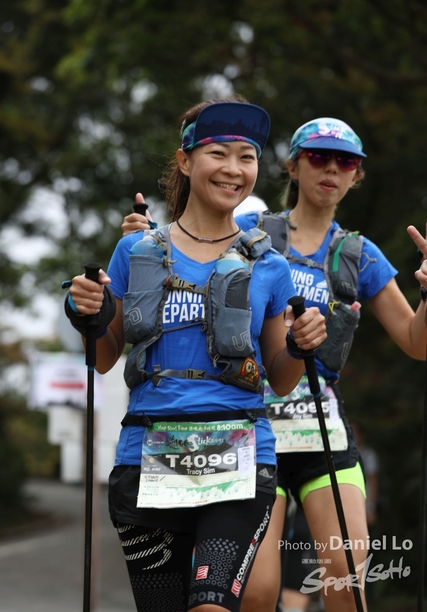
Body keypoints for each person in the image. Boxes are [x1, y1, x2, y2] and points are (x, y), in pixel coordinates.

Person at [123, 116, 427, 612]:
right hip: (248, 430)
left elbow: (417, 342)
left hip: (320, 430)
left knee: (346, 576)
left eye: (346, 162)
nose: (331, 169)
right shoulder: (250, 233)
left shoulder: (360, 254)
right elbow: (186, 244)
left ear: (357, 175)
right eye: (318, 157)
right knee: (258, 592)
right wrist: (145, 240)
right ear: (292, 165)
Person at [64, 97, 326, 612]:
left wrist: (301, 345)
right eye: (218, 153)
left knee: (211, 606)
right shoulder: (135, 252)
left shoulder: (270, 266)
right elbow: (104, 357)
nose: (234, 169)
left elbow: (280, 377)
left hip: (240, 460)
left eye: (246, 157)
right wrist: (85, 314)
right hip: (147, 459)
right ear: (185, 161)